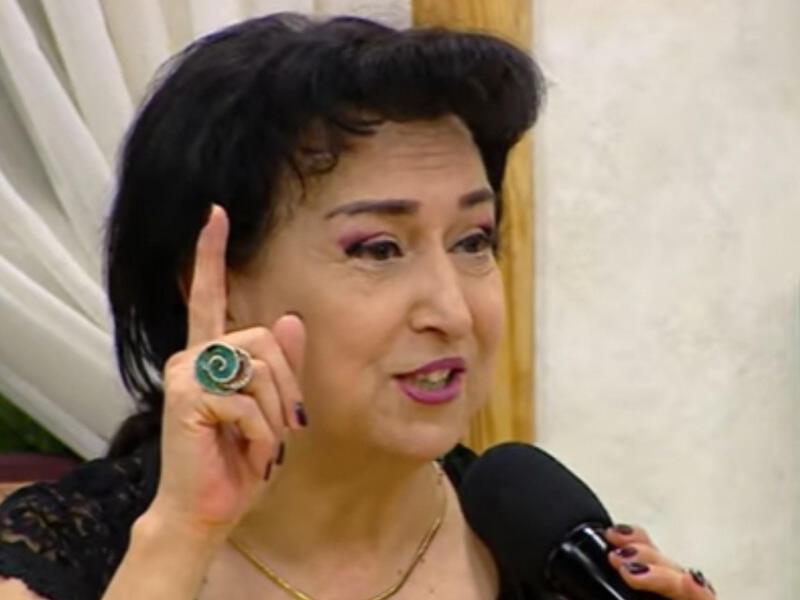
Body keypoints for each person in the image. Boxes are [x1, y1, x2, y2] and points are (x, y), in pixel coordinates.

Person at [0, 13, 716, 600]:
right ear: (213, 285)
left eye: (473, 240)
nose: (452, 311)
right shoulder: (59, 554)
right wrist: (184, 536)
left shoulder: (537, 550)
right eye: (379, 249)